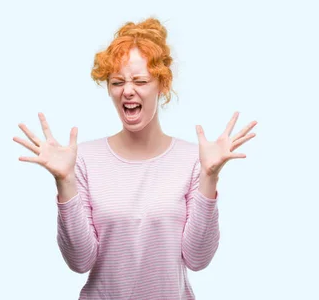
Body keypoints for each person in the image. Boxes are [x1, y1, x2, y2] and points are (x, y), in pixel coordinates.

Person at [13, 17, 257, 299]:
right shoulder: (81, 160)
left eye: (140, 80)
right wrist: (64, 181)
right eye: (117, 82)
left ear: (162, 85)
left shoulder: (195, 160)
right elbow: (80, 262)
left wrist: (210, 176)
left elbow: (197, 260)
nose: (127, 90)